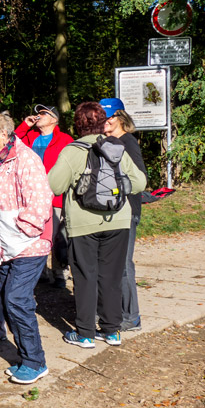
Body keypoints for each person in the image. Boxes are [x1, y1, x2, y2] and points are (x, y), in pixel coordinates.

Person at [48, 102, 147, 348]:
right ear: (103, 123)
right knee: (111, 277)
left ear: (77, 125)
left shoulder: (72, 151)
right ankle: (112, 332)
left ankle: (85, 334)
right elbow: (140, 183)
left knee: (85, 277)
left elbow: (55, 186)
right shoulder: (117, 147)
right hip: (118, 221)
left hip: (83, 224)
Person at [0, 113, 54, 384]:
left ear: (3, 135)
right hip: (6, 246)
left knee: (16, 300)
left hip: (28, 244)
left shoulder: (26, 159)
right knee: (11, 302)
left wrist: (23, 230)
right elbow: (7, 197)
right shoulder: (0, 161)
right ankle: (26, 357)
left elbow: (40, 201)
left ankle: (35, 362)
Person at [15, 104, 74, 288]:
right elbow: (11, 143)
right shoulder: (30, 136)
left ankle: (59, 273)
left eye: (43, 113)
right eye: (38, 113)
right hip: (31, 194)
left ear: (54, 119)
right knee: (35, 233)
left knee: (56, 235)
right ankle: (39, 271)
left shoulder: (65, 139)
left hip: (55, 195)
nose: (38, 115)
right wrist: (25, 125)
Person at [101, 99, 148, 332]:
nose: (104, 121)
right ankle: (116, 311)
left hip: (127, 210)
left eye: (108, 117)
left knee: (123, 265)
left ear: (119, 118)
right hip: (113, 211)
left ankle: (131, 317)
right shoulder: (108, 142)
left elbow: (140, 178)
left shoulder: (127, 142)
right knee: (113, 264)